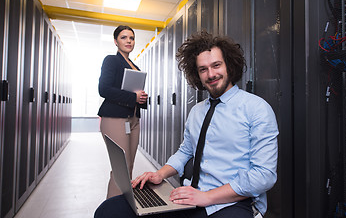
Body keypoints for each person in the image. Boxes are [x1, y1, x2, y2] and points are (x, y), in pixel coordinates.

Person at [94, 31, 278, 218]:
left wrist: (207, 197)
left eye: (216, 65)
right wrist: (160, 174)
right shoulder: (197, 111)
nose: (211, 74)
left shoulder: (257, 109)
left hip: (235, 201)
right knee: (108, 211)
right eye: (203, 69)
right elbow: (186, 151)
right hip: (191, 195)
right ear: (196, 74)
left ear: (229, 65)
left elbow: (264, 175)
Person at [98, 25, 148, 199]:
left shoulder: (135, 66)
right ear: (115, 41)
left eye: (131, 38)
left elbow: (134, 93)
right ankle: (112, 210)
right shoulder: (111, 60)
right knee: (122, 169)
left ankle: (123, 207)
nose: (128, 41)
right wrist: (132, 97)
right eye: (124, 37)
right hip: (115, 119)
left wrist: (141, 98)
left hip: (133, 119)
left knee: (129, 167)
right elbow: (103, 89)